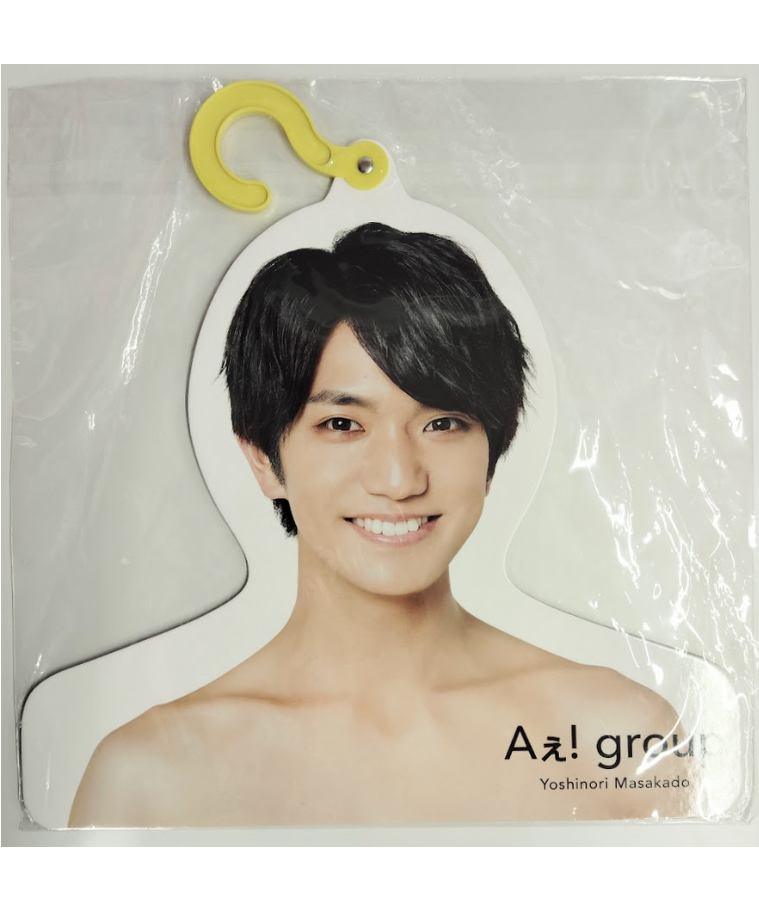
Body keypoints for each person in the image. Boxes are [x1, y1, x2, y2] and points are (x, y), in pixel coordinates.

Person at [69, 223, 693, 826]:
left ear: (491, 453)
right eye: (343, 424)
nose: (398, 479)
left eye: (442, 423)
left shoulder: (620, 737)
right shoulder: (147, 776)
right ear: (263, 460)